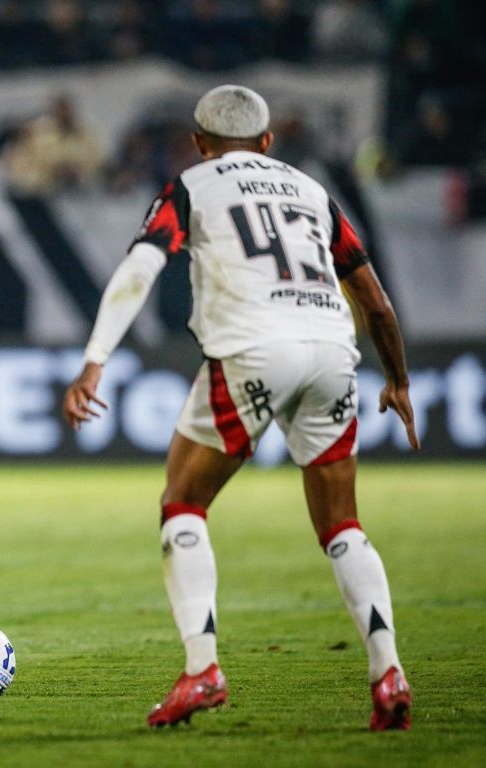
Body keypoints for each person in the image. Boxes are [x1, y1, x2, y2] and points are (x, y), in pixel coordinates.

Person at [62, 85, 419, 731]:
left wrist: (94, 358)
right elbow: (375, 298)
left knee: (183, 503)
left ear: (199, 143)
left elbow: (141, 268)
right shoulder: (312, 192)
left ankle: (203, 670)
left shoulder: (193, 185)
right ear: (267, 142)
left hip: (255, 351)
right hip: (334, 351)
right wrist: (398, 380)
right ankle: (388, 670)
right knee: (342, 525)